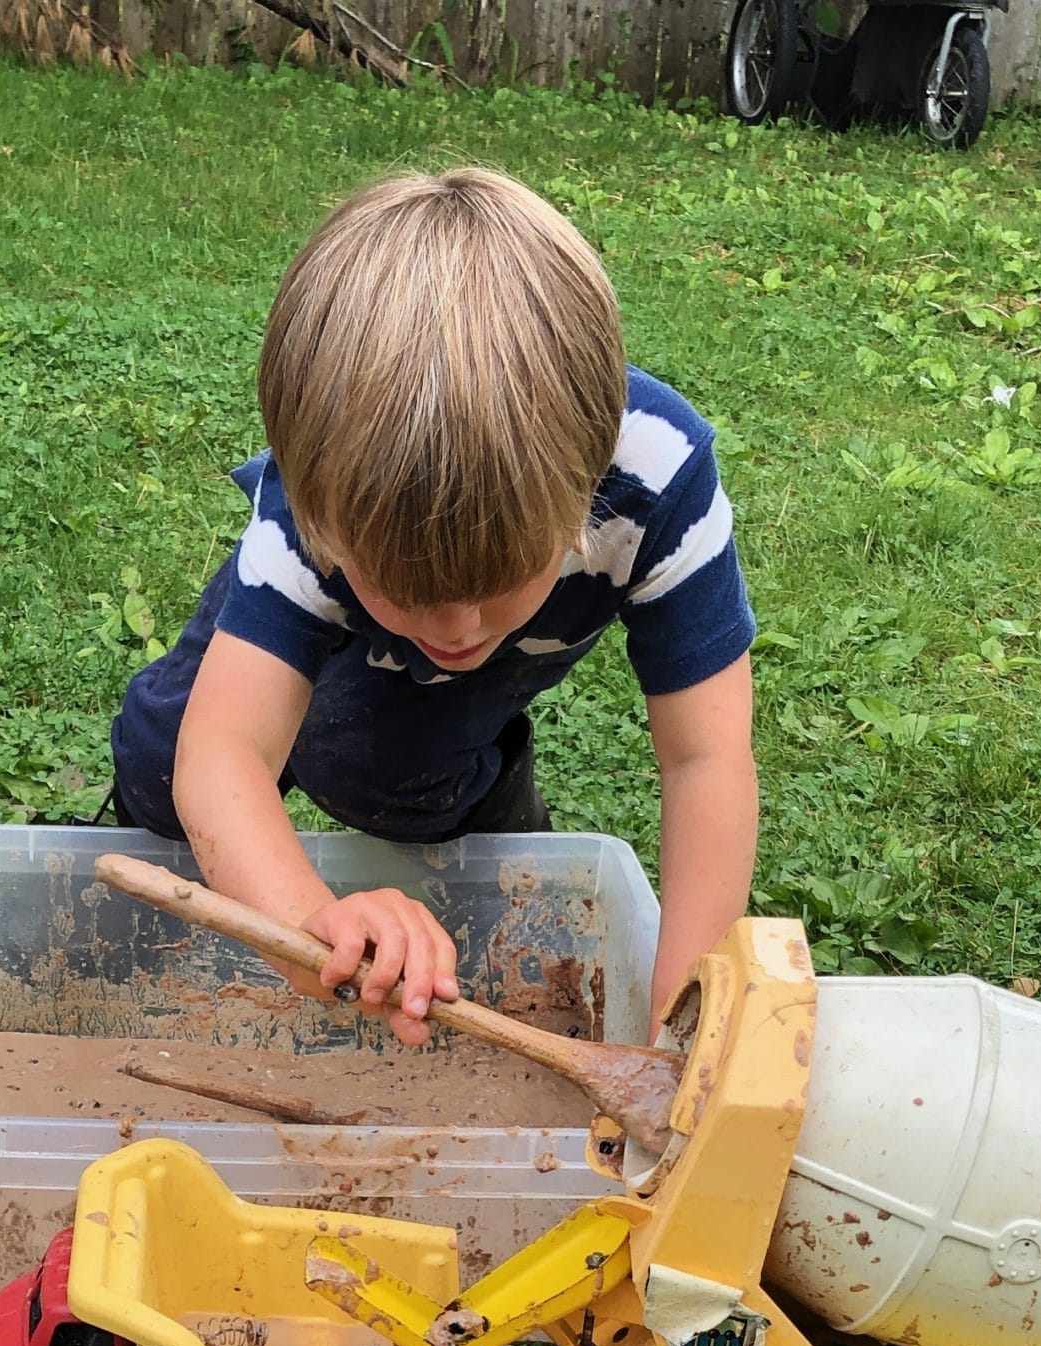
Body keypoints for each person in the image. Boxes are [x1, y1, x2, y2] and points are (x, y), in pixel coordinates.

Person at [110, 166, 758, 1045]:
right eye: (406, 593)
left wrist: (689, 1031)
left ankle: (488, 814)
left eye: (501, 582)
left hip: (480, 664)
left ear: (584, 490)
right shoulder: (314, 508)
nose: (456, 630)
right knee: (167, 756)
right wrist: (308, 921)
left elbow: (706, 761)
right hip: (301, 601)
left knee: (393, 764)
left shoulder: (662, 478)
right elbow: (223, 752)